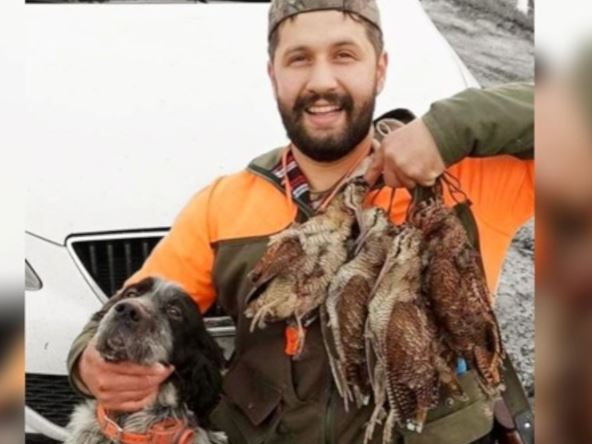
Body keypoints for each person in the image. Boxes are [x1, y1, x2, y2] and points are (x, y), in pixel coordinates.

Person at [66, 1, 534, 442]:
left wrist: (447, 128)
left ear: (380, 69)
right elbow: (121, 310)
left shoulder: (463, 180)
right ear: (274, 76)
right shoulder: (223, 205)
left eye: (344, 55)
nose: (321, 81)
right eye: (299, 59)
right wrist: (88, 364)